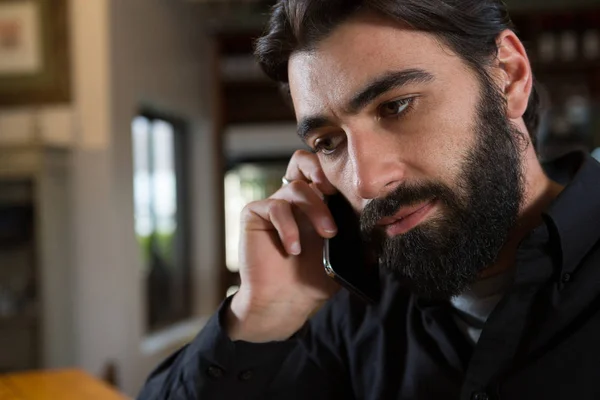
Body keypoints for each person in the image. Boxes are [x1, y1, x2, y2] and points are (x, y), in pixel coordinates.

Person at [138, 1, 600, 399]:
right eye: (328, 143)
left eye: (396, 106)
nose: (364, 182)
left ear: (509, 76)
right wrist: (261, 315)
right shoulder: (351, 314)